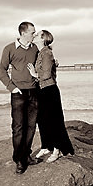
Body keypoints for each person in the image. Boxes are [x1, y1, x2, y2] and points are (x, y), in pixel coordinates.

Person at [0, 22, 39, 174]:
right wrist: (12, 87)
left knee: (31, 126)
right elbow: (2, 71)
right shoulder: (9, 48)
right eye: (32, 32)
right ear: (23, 33)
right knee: (18, 128)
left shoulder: (35, 48)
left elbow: (41, 66)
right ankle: (19, 160)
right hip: (18, 92)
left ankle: (26, 155)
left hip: (34, 91)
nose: (34, 35)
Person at [28, 30, 74, 163]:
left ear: (43, 38)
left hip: (49, 90)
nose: (34, 35)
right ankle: (46, 146)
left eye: (37, 34)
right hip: (42, 90)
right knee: (42, 120)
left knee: (54, 121)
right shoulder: (41, 52)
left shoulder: (47, 53)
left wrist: (34, 74)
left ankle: (57, 150)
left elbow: (46, 74)